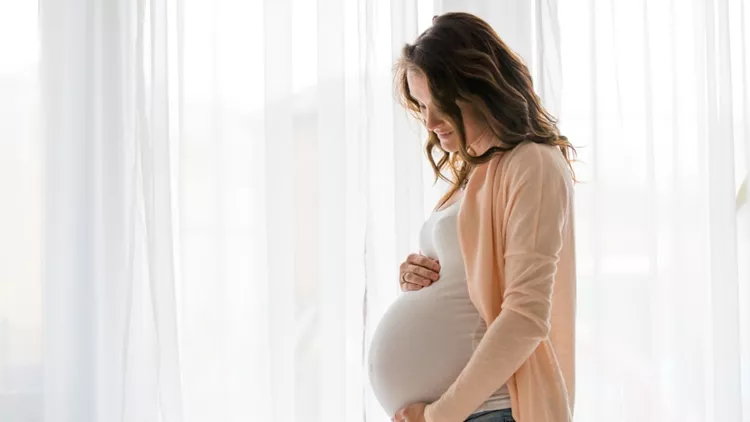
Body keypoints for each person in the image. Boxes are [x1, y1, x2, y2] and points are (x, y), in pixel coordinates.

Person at [367, 12, 577, 422]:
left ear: (479, 87)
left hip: (492, 410)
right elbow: (473, 282)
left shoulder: (532, 163)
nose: (428, 122)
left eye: (438, 104)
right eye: (422, 105)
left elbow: (525, 316)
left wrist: (437, 416)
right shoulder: (478, 172)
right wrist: (418, 276)